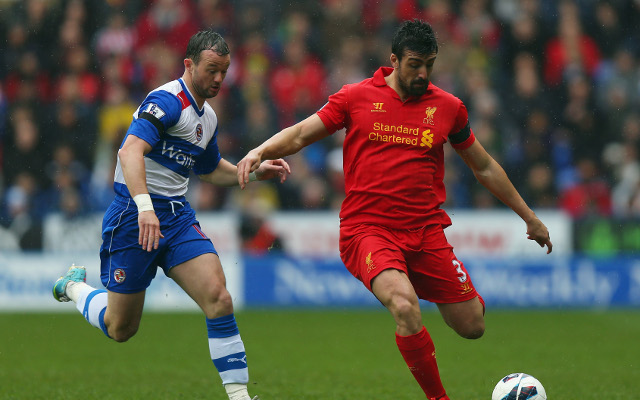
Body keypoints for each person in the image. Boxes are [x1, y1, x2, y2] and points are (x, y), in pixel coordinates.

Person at [237, 19, 553, 400]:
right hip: (367, 231)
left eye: (429, 65)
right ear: (394, 60)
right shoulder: (354, 97)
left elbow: (483, 166)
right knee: (405, 307)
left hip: (425, 232)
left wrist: (529, 217)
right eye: (415, 64)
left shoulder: (448, 107)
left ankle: (415, 277)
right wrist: (260, 151)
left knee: (472, 325)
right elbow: (303, 132)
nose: (422, 73)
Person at [52, 30, 290, 400]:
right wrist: (145, 208)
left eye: (223, 73)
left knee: (218, 297)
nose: (217, 80)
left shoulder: (207, 117)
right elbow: (129, 152)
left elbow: (209, 169)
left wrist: (255, 172)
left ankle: (240, 396)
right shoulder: (166, 101)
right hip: (134, 216)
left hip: (177, 218)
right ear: (189, 64)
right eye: (211, 70)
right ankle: (73, 286)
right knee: (120, 328)